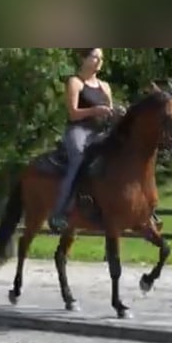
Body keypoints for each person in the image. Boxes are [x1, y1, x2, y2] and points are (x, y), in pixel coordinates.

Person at [48, 48, 114, 233]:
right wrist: (95, 111)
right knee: (78, 158)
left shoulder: (105, 86)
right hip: (78, 130)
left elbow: (109, 112)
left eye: (102, 58)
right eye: (95, 57)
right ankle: (59, 212)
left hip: (100, 131)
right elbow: (73, 113)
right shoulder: (75, 82)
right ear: (84, 59)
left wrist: (115, 113)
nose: (99, 61)